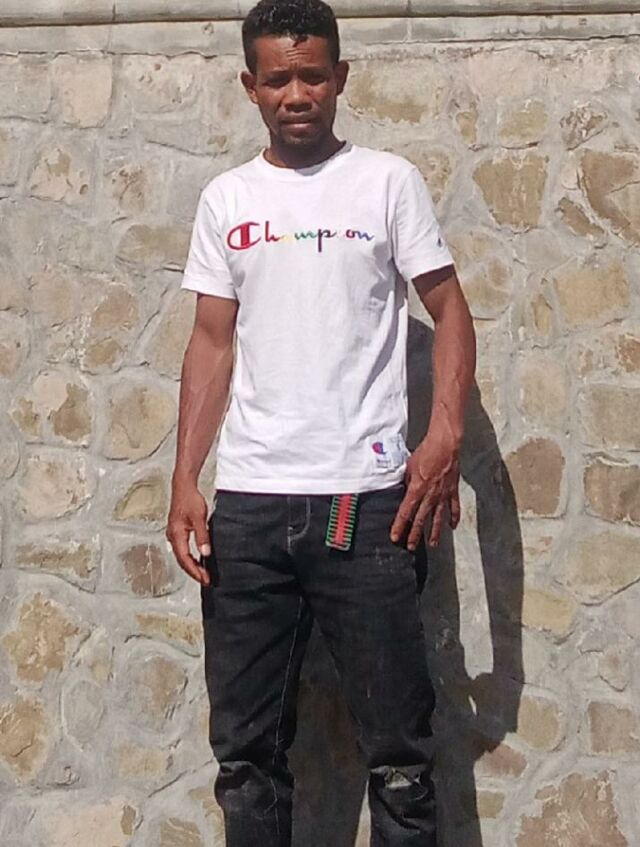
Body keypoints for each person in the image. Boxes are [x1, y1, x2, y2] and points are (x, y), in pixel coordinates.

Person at [166, 0, 476, 844]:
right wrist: (185, 478)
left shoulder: (386, 182)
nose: (296, 94)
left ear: (340, 77)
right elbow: (211, 341)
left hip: (368, 507)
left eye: (312, 76)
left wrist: (444, 434)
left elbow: (449, 309)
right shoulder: (228, 198)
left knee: (401, 758)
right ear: (250, 86)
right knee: (246, 758)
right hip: (249, 511)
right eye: (278, 79)